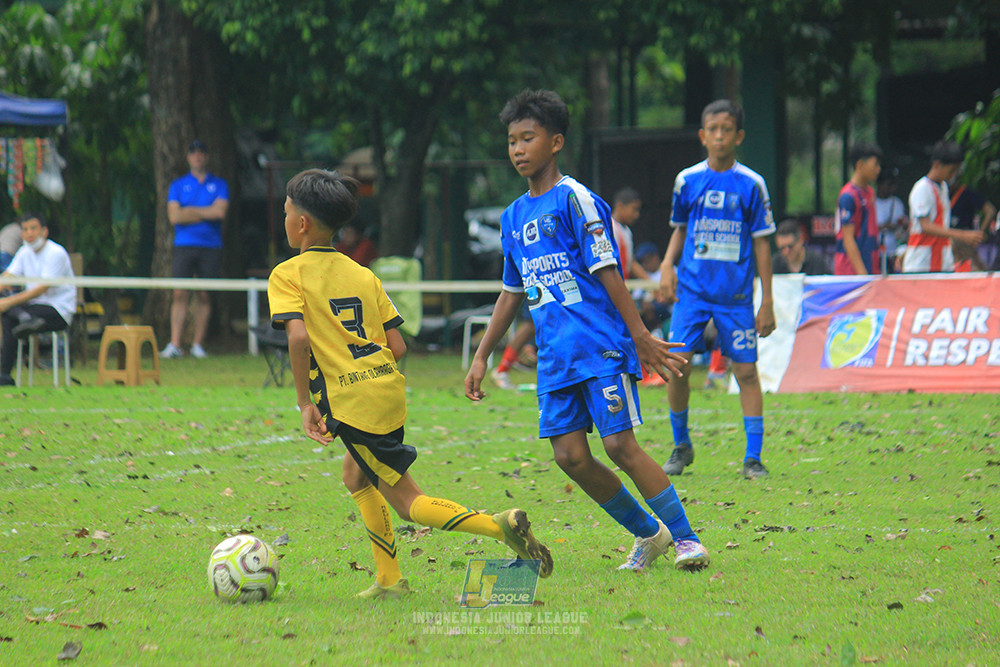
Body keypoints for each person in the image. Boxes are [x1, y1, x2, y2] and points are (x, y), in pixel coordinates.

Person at [268, 168, 552, 600]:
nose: (285, 218)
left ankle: (498, 526)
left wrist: (305, 402)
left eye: (286, 211)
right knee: (356, 476)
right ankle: (389, 580)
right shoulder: (363, 274)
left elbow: (299, 338)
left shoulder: (288, 274)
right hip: (386, 391)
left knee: (408, 503)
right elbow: (397, 345)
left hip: (350, 403)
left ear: (302, 223)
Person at [465, 88, 710, 572]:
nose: (518, 149)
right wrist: (481, 355)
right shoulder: (513, 217)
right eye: (512, 141)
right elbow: (512, 292)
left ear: (555, 142)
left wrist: (639, 335)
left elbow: (608, 270)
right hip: (555, 357)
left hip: (599, 347)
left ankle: (686, 539)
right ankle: (649, 535)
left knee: (619, 445)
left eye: (528, 138)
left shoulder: (575, 199)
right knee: (570, 457)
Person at [658, 99, 775, 480]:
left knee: (746, 372)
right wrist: (667, 265)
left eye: (727, 130)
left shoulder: (752, 184)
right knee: (677, 366)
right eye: (713, 130)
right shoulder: (687, 180)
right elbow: (680, 229)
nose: (719, 136)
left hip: (735, 297)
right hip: (692, 292)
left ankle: (753, 458)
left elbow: (762, 243)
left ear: (739, 136)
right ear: (702, 135)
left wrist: (767, 300)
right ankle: (681, 445)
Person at [160, 140, 228, 359]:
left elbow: (219, 213)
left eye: (201, 153)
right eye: (193, 153)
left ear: (206, 156)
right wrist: (206, 211)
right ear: (188, 157)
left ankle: (198, 345)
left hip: (210, 246)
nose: (197, 156)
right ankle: (175, 344)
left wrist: (188, 211)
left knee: (205, 294)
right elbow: (174, 217)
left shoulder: (219, 184)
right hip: (184, 245)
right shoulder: (178, 185)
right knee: (180, 293)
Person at [0, 214, 76, 386]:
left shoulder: (56, 252)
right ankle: (4, 376)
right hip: (33, 309)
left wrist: (8, 303)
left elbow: (42, 289)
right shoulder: (24, 252)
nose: (29, 233)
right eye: (25, 229)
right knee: (7, 313)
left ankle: (4, 372)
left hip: (58, 310)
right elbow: (7, 277)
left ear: (44, 231)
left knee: (8, 311)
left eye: (33, 228)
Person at [834, 143, 882, 276]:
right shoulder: (848, 196)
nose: (878, 169)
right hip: (851, 270)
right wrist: (862, 273)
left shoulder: (870, 192)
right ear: (860, 165)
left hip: (870, 264)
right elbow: (848, 238)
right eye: (875, 164)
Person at [949, 182, 996, 271]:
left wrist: (980, 234)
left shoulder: (967, 193)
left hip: (965, 241)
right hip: (947, 239)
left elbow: (990, 210)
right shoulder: (941, 193)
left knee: (971, 267)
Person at [610, 187, 648, 280]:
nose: (637, 214)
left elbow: (631, 262)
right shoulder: (608, 227)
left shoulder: (627, 231)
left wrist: (650, 283)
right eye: (634, 209)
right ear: (620, 206)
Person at [875, 169, 908, 273]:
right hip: (876, 252)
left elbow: (903, 225)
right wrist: (884, 226)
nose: (891, 188)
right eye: (888, 185)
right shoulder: (872, 202)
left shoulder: (897, 203)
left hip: (893, 251)